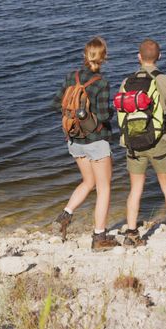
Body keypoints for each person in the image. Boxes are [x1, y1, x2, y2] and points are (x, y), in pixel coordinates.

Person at [118, 38, 166, 248]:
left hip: (134, 143)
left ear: (138, 57)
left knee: (135, 189)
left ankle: (131, 234)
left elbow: (122, 115)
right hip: (160, 141)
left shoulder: (126, 82)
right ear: (159, 56)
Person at [50, 37, 119, 252]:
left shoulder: (72, 76)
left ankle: (65, 216)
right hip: (96, 142)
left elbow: (55, 104)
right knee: (104, 187)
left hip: (74, 139)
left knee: (88, 182)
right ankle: (99, 236)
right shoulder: (101, 83)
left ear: (85, 54)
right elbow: (101, 115)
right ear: (104, 57)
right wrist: (114, 109)